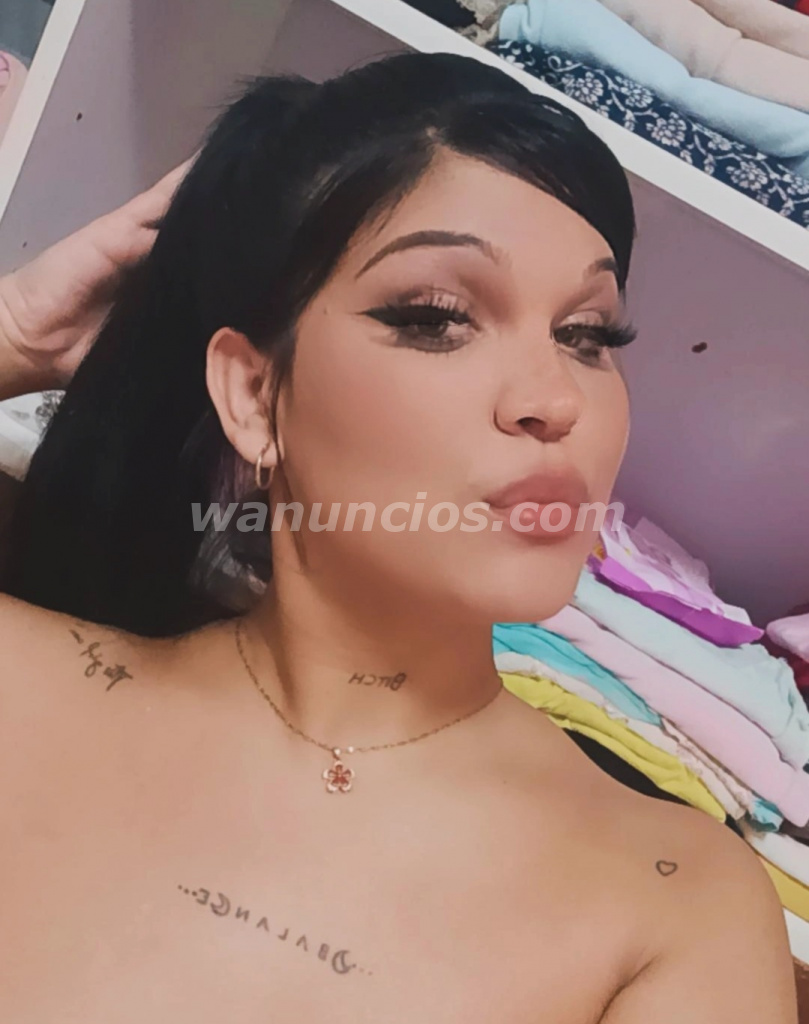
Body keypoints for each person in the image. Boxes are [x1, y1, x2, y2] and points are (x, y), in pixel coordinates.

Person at [0, 52, 796, 1022]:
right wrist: (15, 331)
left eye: (587, 335)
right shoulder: (22, 689)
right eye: (436, 318)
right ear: (252, 393)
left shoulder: (676, 901)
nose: (555, 400)